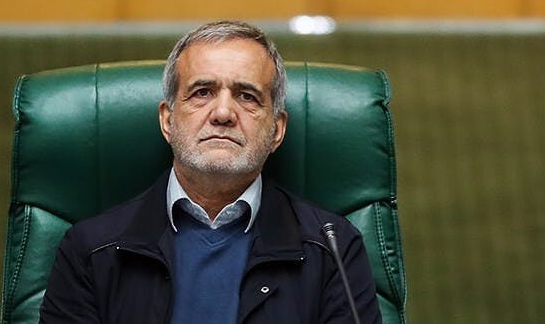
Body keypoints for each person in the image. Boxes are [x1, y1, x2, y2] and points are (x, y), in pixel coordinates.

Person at [39, 21, 382, 324]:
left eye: (247, 96)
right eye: (202, 92)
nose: (222, 113)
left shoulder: (334, 249)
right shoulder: (89, 250)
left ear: (277, 130)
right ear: (168, 120)